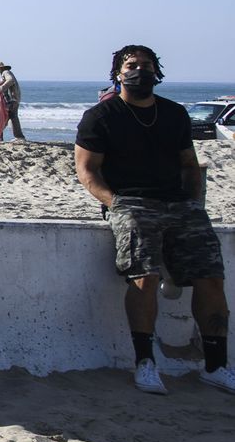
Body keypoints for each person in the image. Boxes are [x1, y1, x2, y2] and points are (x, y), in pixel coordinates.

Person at [74, 45, 234, 396]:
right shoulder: (101, 116)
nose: (139, 71)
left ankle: (216, 366)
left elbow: (190, 166)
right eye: (131, 65)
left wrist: (193, 205)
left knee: (210, 277)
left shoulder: (174, 114)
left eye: (146, 66)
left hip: (179, 204)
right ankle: (145, 362)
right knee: (144, 274)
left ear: (156, 72)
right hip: (130, 202)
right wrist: (115, 203)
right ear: (118, 73)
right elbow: (87, 171)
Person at [0, 61, 25, 141]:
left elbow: (10, 80)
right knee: (10, 117)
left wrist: (2, 87)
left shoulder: (6, 72)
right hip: (13, 99)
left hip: (11, 100)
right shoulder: (4, 73)